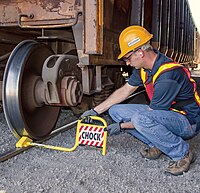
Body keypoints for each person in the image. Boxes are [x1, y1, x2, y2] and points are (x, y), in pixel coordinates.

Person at [81, 26, 200, 176]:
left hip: (187, 121)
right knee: (115, 110)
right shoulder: (144, 68)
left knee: (140, 119)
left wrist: (121, 126)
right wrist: (96, 111)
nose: (127, 63)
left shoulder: (168, 75)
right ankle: (157, 144)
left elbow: (150, 114)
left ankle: (182, 153)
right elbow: (125, 90)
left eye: (127, 58)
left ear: (140, 53)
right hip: (168, 115)